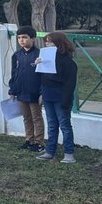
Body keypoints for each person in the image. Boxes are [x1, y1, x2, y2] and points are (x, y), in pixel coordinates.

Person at [36, 31, 78, 163]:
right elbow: (43, 79)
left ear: (58, 43)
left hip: (61, 97)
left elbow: (70, 84)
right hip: (48, 95)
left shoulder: (68, 62)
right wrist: (42, 93)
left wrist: (65, 101)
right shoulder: (46, 60)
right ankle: (50, 151)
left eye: (50, 41)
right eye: (46, 41)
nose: (47, 44)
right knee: (52, 125)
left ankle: (69, 153)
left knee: (64, 125)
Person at [8, 25, 43, 151]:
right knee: (26, 117)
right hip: (21, 92)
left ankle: (39, 143)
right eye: (19, 38)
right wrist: (12, 90)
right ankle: (29, 139)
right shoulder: (17, 55)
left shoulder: (39, 55)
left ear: (33, 38)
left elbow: (43, 76)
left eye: (24, 37)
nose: (21, 40)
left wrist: (41, 93)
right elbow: (14, 74)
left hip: (34, 93)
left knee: (36, 118)